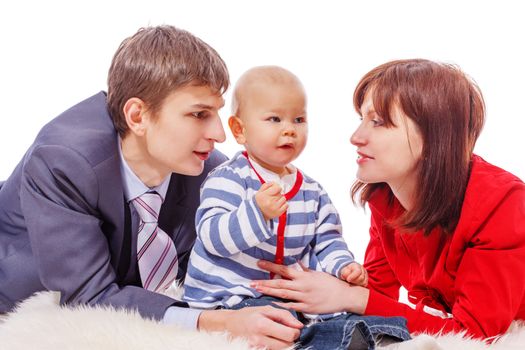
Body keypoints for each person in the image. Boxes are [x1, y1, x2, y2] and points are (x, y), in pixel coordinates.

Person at [0, 25, 304, 350]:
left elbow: (223, 256)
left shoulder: (211, 170)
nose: (219, 133)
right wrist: (216, 321)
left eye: (216, 112)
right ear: (137, 116)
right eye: (199, 114)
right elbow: (90, 295)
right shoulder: (64, 161)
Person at [251, 59, 525, 340]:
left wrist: (350, 297)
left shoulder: (502, 202)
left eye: (378, 122)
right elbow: (378, 292)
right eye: (362, 119)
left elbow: (475, 335)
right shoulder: (386, 197)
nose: (356, 137)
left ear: (434, 137)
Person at [183, 66, 411, 349]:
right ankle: (339, 341)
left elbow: (327, 240)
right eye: (274, 119)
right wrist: (256, 211)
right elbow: (212, 237)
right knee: (280, 321)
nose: (289, 129)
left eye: (299, 119)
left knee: (337, 309)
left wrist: (344, 267)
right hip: (231, 296)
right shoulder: (227, 179)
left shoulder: (311, 191)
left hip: (292, 295)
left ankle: (383, 335)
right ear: (240, 130)